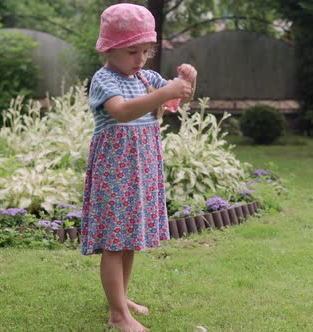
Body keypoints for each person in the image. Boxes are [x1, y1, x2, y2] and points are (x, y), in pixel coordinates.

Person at [80, 3, 197, 331]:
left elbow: (178, 99)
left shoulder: (147, 78)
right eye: (133, 51)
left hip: (139, 174)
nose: (141, 59)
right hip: (115, 174)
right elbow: (123, 111)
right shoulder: (104, 79)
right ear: (110, 48)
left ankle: (121, 299)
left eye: (146, 51)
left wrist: (188, 82)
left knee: (128, 240)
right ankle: (118, 315)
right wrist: (165, 91)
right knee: (114, 245)